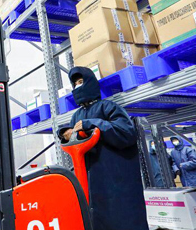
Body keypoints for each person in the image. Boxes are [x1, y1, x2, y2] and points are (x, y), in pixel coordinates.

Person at [59, 67, 148, 230]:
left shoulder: (108, 107)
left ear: (90, 83)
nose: (78, 86)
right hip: (92, 184)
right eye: (75, 84)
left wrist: (92, 124)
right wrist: (66, 134)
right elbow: (75, 142)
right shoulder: (76, 116)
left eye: (81, 82)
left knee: (123, 220)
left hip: (116, 181)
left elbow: (126, 133)